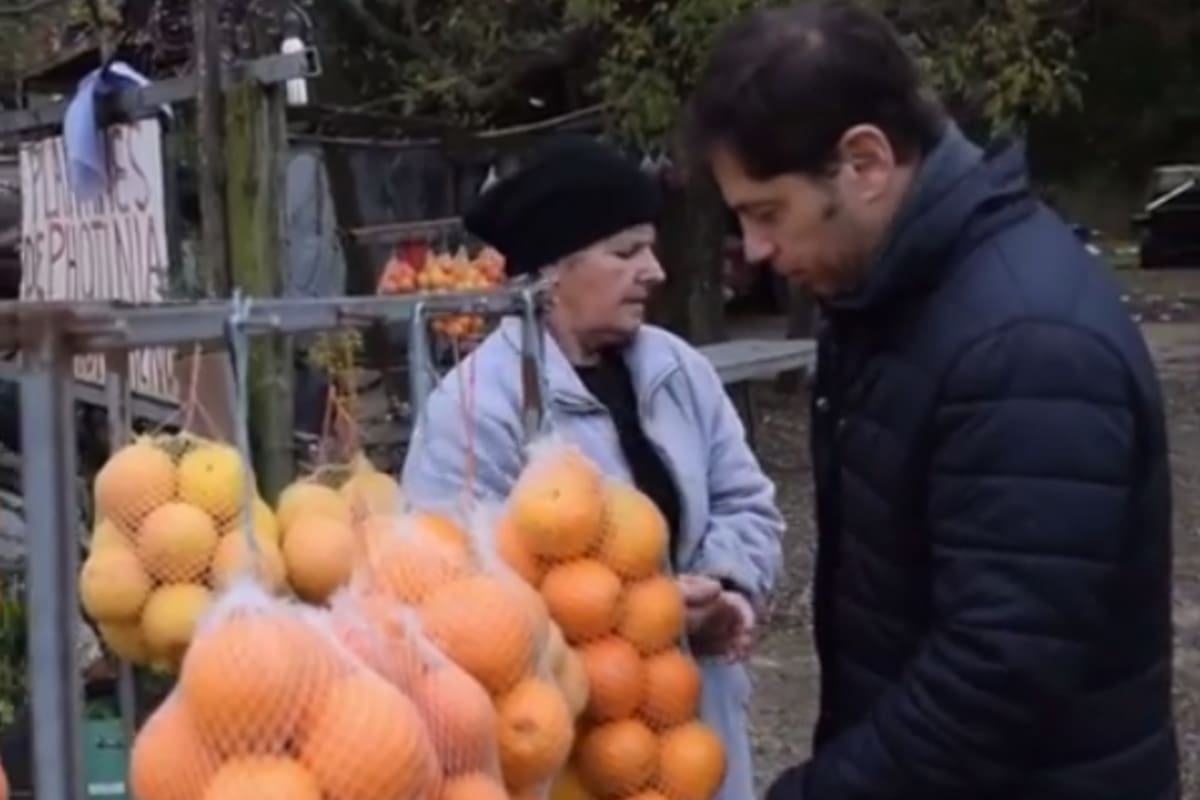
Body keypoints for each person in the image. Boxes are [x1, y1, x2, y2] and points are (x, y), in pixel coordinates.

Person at [687, 2, 1179, 799]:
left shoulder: (1025, 346)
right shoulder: (895, 300)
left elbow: (994, 678)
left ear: (866, 162)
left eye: (767, 212)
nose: (757, 252)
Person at [401, 136, 785, 799]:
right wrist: (646, 617)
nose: (655, 269)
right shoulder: (476, 407)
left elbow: (748, 503)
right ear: (552, 273)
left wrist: (723, 584)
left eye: (651, 246)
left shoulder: (677, 371)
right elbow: (448, 598)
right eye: (626, 251)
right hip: (570, 750)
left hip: (697, 727)